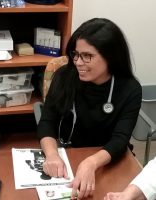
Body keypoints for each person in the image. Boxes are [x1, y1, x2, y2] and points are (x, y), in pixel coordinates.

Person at [37, 18, 142, 199]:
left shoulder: (130, 89)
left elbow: (120, 139)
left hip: (108, 158)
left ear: (110, 57)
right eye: (76, 54)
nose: (78, 62)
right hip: (67, 155)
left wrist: (92, 163)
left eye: (88, 56)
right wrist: (52, 154)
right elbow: (47, 122)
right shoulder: (64, 76)